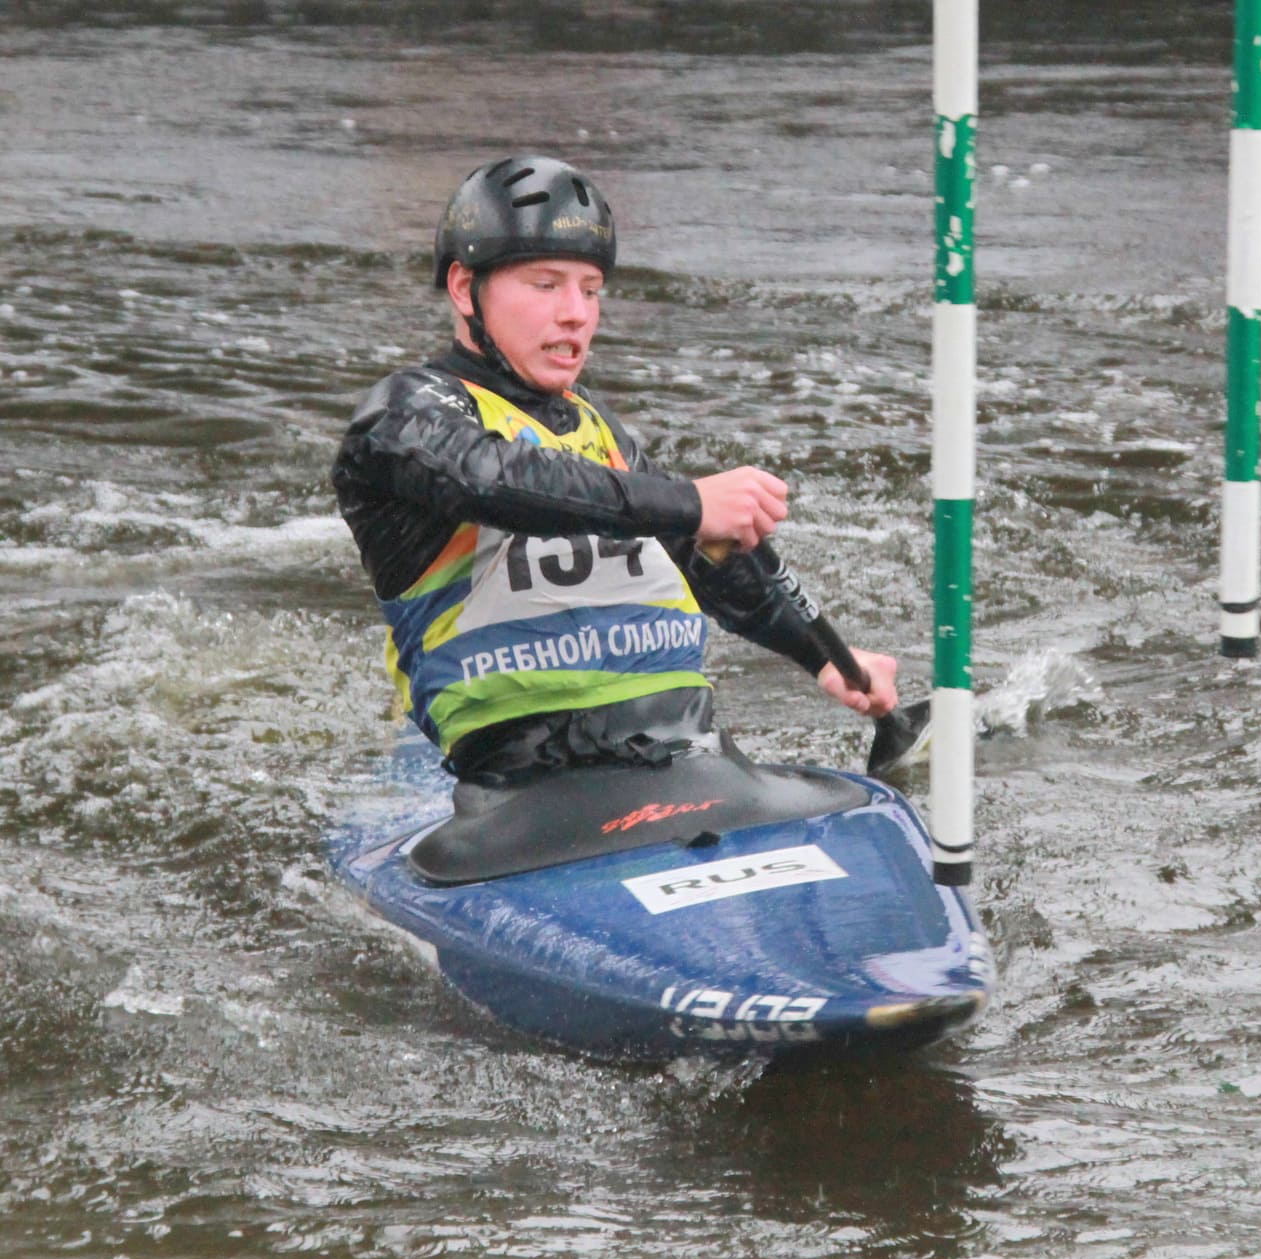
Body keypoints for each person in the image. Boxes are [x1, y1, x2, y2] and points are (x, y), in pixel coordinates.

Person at [332, 154, 898, 790]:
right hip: (515, 778)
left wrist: (825, 658)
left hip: (685, 755)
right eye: (546, 285)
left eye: (591, 289)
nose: (575, 313)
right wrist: (691, 502)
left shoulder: (598, 429)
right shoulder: (403, 413)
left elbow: (702, 556)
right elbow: (491, 480)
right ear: (465, 289)